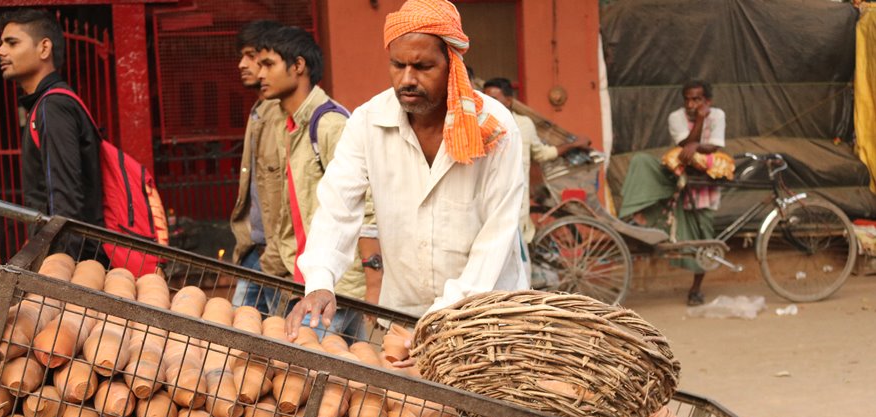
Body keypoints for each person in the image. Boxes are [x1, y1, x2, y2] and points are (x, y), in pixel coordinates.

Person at [285, 0, 527, 339]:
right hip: (400, 319)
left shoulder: (496, 128)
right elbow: (337, 208)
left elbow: (497, 236)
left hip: (483, 321)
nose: (407, 79)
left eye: (423, 66)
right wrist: (321, 280)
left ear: (452, 64)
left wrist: (438, 323)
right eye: (398, 65)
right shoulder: (368, 122)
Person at [256, 26, 380, 339]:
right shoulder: (289, 124)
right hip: (304, 279)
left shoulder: (331, 124)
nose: (259, 73)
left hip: (336, 286)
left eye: (268, 64)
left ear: (298, 66)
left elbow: (366, 205)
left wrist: (373, 284)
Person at [0, 9, 104, 259]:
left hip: (75, 263)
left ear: (44, 48)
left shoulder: (53, 107)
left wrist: (58, 270)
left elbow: (64, 202)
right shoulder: (47, 104)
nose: (0, 51)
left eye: (11, 43)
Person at [619, 80, 726, 305]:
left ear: (708, 101)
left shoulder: (718, 115)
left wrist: (695, 144)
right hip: (675, 178)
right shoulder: (675, 117)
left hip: (704, 183)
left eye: (697, 99)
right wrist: (698, 126)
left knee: (703, 236)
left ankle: (696, 289)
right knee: (641, 162)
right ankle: (631, 216)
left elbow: (713, 147)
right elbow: (685, 144)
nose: (691, 103)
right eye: (687, 99)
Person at [482, 77, 592, 247]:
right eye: (485, 99)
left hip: (517, 203)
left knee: (518, 253)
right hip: (488, 202)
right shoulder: (479, 127)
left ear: (509, 101)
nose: (488, 104)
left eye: (494, 99)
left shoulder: (524, 124)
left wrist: (573, 145)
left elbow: (541, 153)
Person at [230, 20, 285, 314]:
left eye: (252, 56)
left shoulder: (283, 114)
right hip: (254, 246)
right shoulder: (260, 111)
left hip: (280, 254)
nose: (243, 64)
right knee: (240, 328)